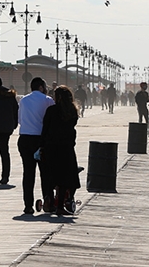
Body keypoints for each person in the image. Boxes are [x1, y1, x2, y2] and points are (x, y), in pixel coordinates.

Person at [40, 86, 82, 215]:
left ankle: (50, 202)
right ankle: (60, 206)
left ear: (57, 97)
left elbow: (45, 129)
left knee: (50, 175)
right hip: (66, 147)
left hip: (51, 147)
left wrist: (41, 146)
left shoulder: (51, 110)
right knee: (65, 177)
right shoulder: (72, 111)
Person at [17, 77, 55, 215]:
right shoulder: (48, 100)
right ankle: (48, 202)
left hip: (25, 138)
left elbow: (20, 120)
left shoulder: (23, 100)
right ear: (41, 87)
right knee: (45, 173)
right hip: (41, 140)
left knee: (28, 173)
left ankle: (28, 205)